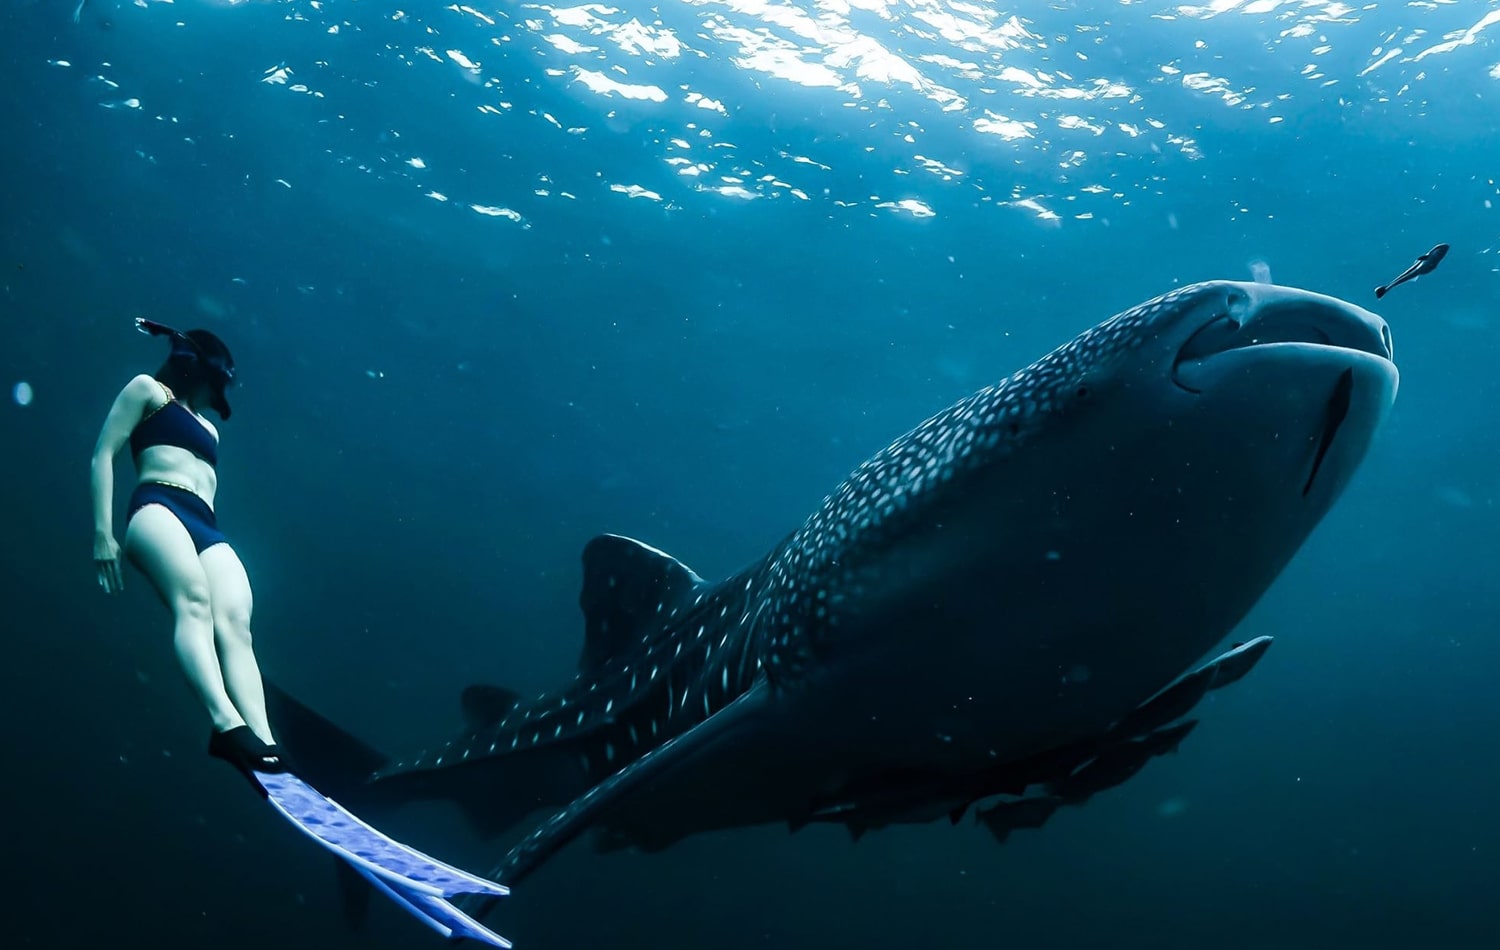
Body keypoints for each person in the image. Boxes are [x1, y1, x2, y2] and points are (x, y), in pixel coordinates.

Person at [91, 317, 286, 785]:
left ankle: (264, 740)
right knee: (193, 602)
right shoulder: (146, 391)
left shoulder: (210, 431)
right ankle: (225, 723)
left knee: (236, 623)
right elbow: (104, 453)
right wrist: (103, 532)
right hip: (157, 504)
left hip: (205, 522)